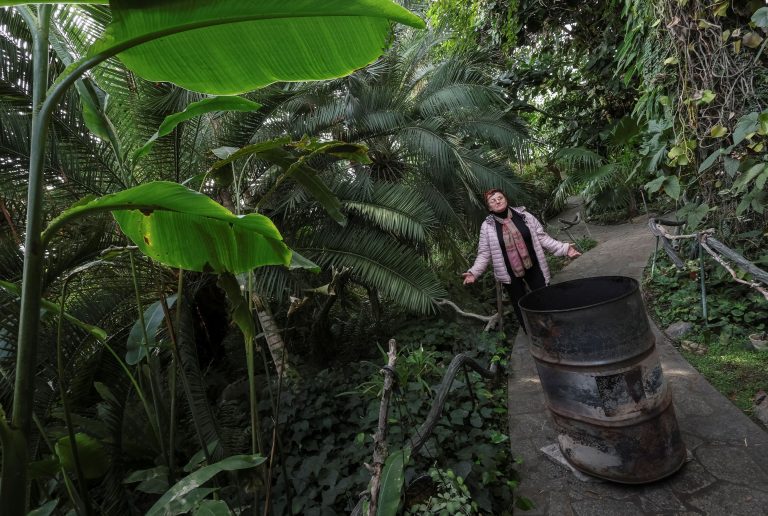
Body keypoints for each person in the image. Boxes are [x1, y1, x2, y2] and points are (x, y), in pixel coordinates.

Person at [462, 189, 581, 331]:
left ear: (506, 199)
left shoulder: (525, 216)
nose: (497, 201)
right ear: (489, 207)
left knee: (545, 295)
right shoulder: (487, 227)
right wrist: (474, 272)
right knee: (520, 303)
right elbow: (484, 253)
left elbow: (543, 238)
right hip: (509, 273)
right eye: (492, 201)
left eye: (500, 197)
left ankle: (553, 326)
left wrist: (565, 248)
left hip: (533, 265)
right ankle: (531, 332)